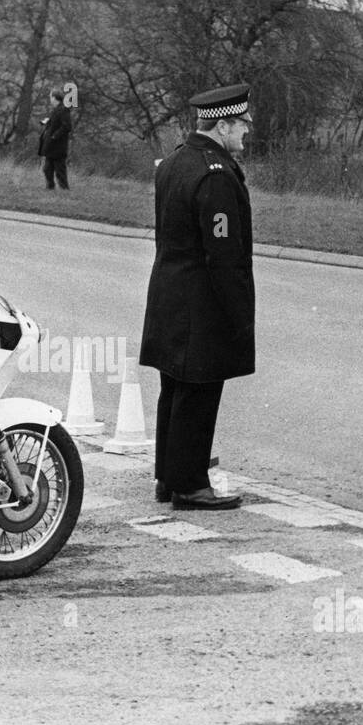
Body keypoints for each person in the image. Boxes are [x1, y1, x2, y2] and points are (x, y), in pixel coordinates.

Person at [140, 83, 256, 510]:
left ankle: (169, 478)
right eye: (242, 122)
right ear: (222, 124)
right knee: (199, 391)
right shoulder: (216, 175)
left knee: (174, 388)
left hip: (170, 292)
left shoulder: (174, 162)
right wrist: (239, 312)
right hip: (201, 301)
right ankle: (190, 484)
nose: (248, 129)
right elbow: (223, 251)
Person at [37, 87, 73, 190]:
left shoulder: (64, 109)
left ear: (54, 98)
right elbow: (57, 123)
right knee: (47, 169)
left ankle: (64, 190)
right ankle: (50, 188)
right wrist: (48, 121)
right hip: (51, 146)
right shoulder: (57, 110)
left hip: (58, 146)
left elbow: (67, 126)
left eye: (50, 97)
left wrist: (54, 136)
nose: (50, 99)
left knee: (60, 171)